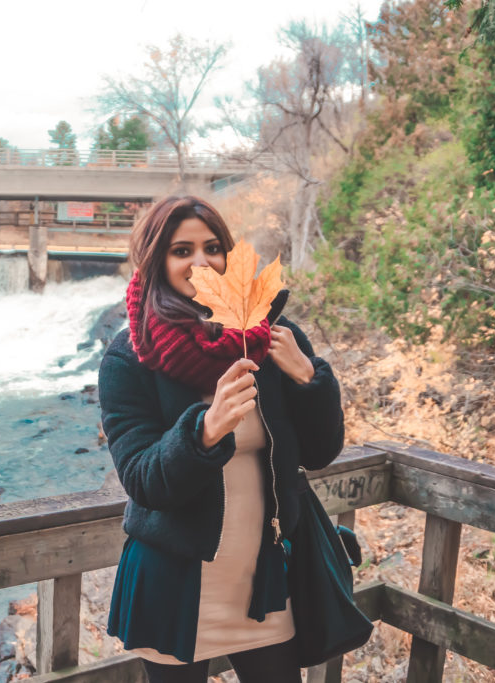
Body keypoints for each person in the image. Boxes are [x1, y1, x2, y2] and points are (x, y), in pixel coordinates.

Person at [98, 196, 345, 683]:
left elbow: (320, 453)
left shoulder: (272, 338)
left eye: (212, 247)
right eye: (181, 250)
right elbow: (143, 481)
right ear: (155, 259)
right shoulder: (129, 355)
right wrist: (204, 432)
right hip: (174, 586)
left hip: (266, 582)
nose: (201, 261)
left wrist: (309, 380)